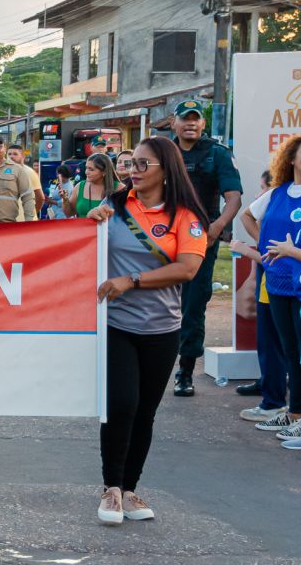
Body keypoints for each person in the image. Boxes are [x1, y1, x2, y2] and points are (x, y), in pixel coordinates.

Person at [87, 138, 209, 523]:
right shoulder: (114, 206)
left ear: (166, 170)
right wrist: (90, 224)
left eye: (143, 164)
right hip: (116, 323)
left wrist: (132, 280)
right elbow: (84, 248)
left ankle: (130, 489)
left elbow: (188, 268)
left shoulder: (186, 217)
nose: (133, 171)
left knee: (145, 412)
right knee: (122, 404)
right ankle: (111, 488)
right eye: (130, 164)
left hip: (162, 328)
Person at [170, 99, 243, 397]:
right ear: (173, 123)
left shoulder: (217, 153)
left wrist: (218, 226)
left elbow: (234, 197)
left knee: (193, 304)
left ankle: (185, 370)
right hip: (162, 236)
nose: (190, 123)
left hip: (200, 238)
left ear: (202, 123)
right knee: (153, 300)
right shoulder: (162, 151)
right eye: (185, 118)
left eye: (195, 119)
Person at [241, 135, 301, 445]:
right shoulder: (277, 193)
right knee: (290, 350)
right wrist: (265, 244)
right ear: (291, 158)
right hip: (277, 281)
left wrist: (292, 252)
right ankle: (294, 413)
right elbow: (247, 216)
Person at [233, 170, 288, 422]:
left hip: (283, 288)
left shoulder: (283, 207)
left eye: (263, 188)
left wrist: (246, 250)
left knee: (276, 345)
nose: (259, 195)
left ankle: (278, 404)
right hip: (271, 287)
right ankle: (274, 398)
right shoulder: (272, 210)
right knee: (272, 345)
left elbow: (277, 258)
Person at [0, 136, 35, 223]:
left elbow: (28, 197)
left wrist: (29, 222)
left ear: (5, 149)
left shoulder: (17, 169)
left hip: (7, 225)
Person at [65, 153, 121, 219]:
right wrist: (65, 200)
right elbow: (69, 213)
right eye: (86, 168)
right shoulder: (79, 186)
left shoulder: (120, 188)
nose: (86, 172)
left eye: (91, 169)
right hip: (82, 225)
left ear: (104, 172)